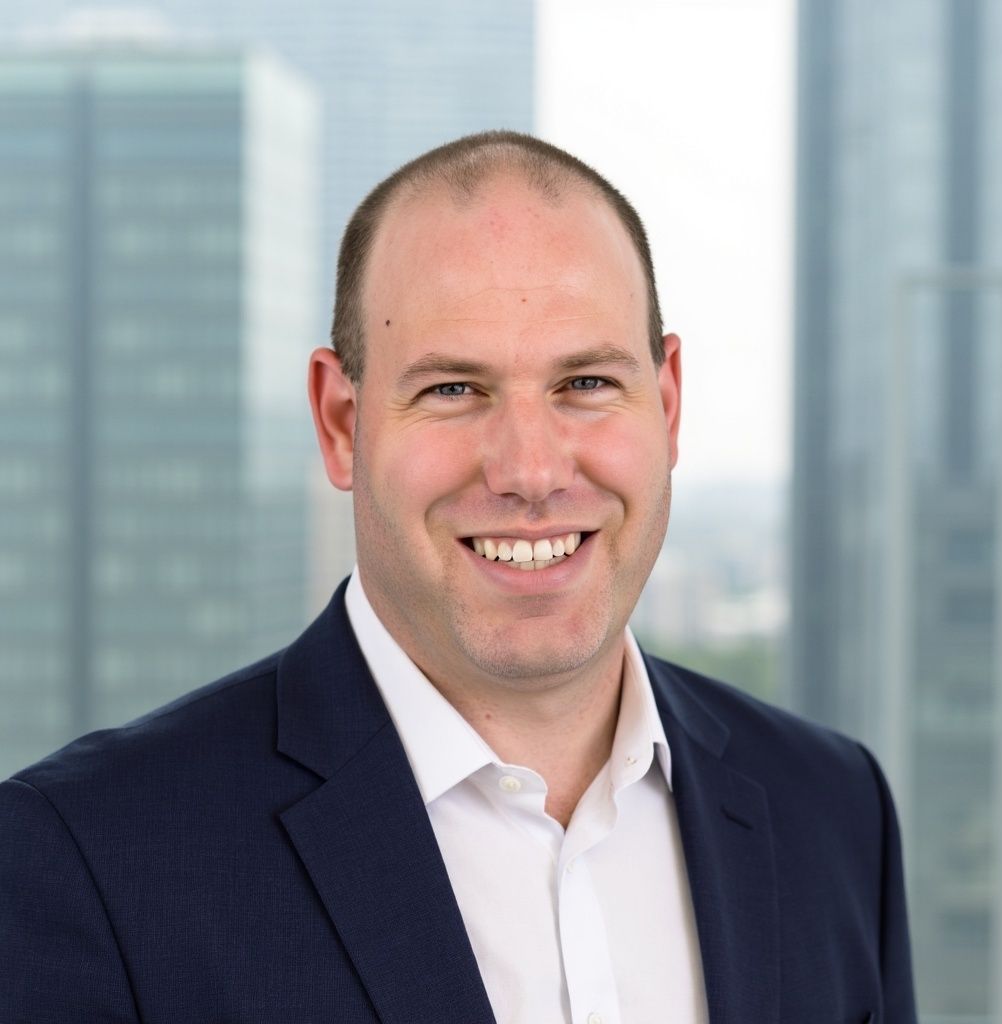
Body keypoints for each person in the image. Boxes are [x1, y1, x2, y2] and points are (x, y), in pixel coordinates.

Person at [0, 131, 916, 1023]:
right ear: (339, 421)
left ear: (668, 404)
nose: (531, 470)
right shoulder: (86, 860)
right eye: (453, 390)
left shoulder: (835, 811)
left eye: (586, 383)